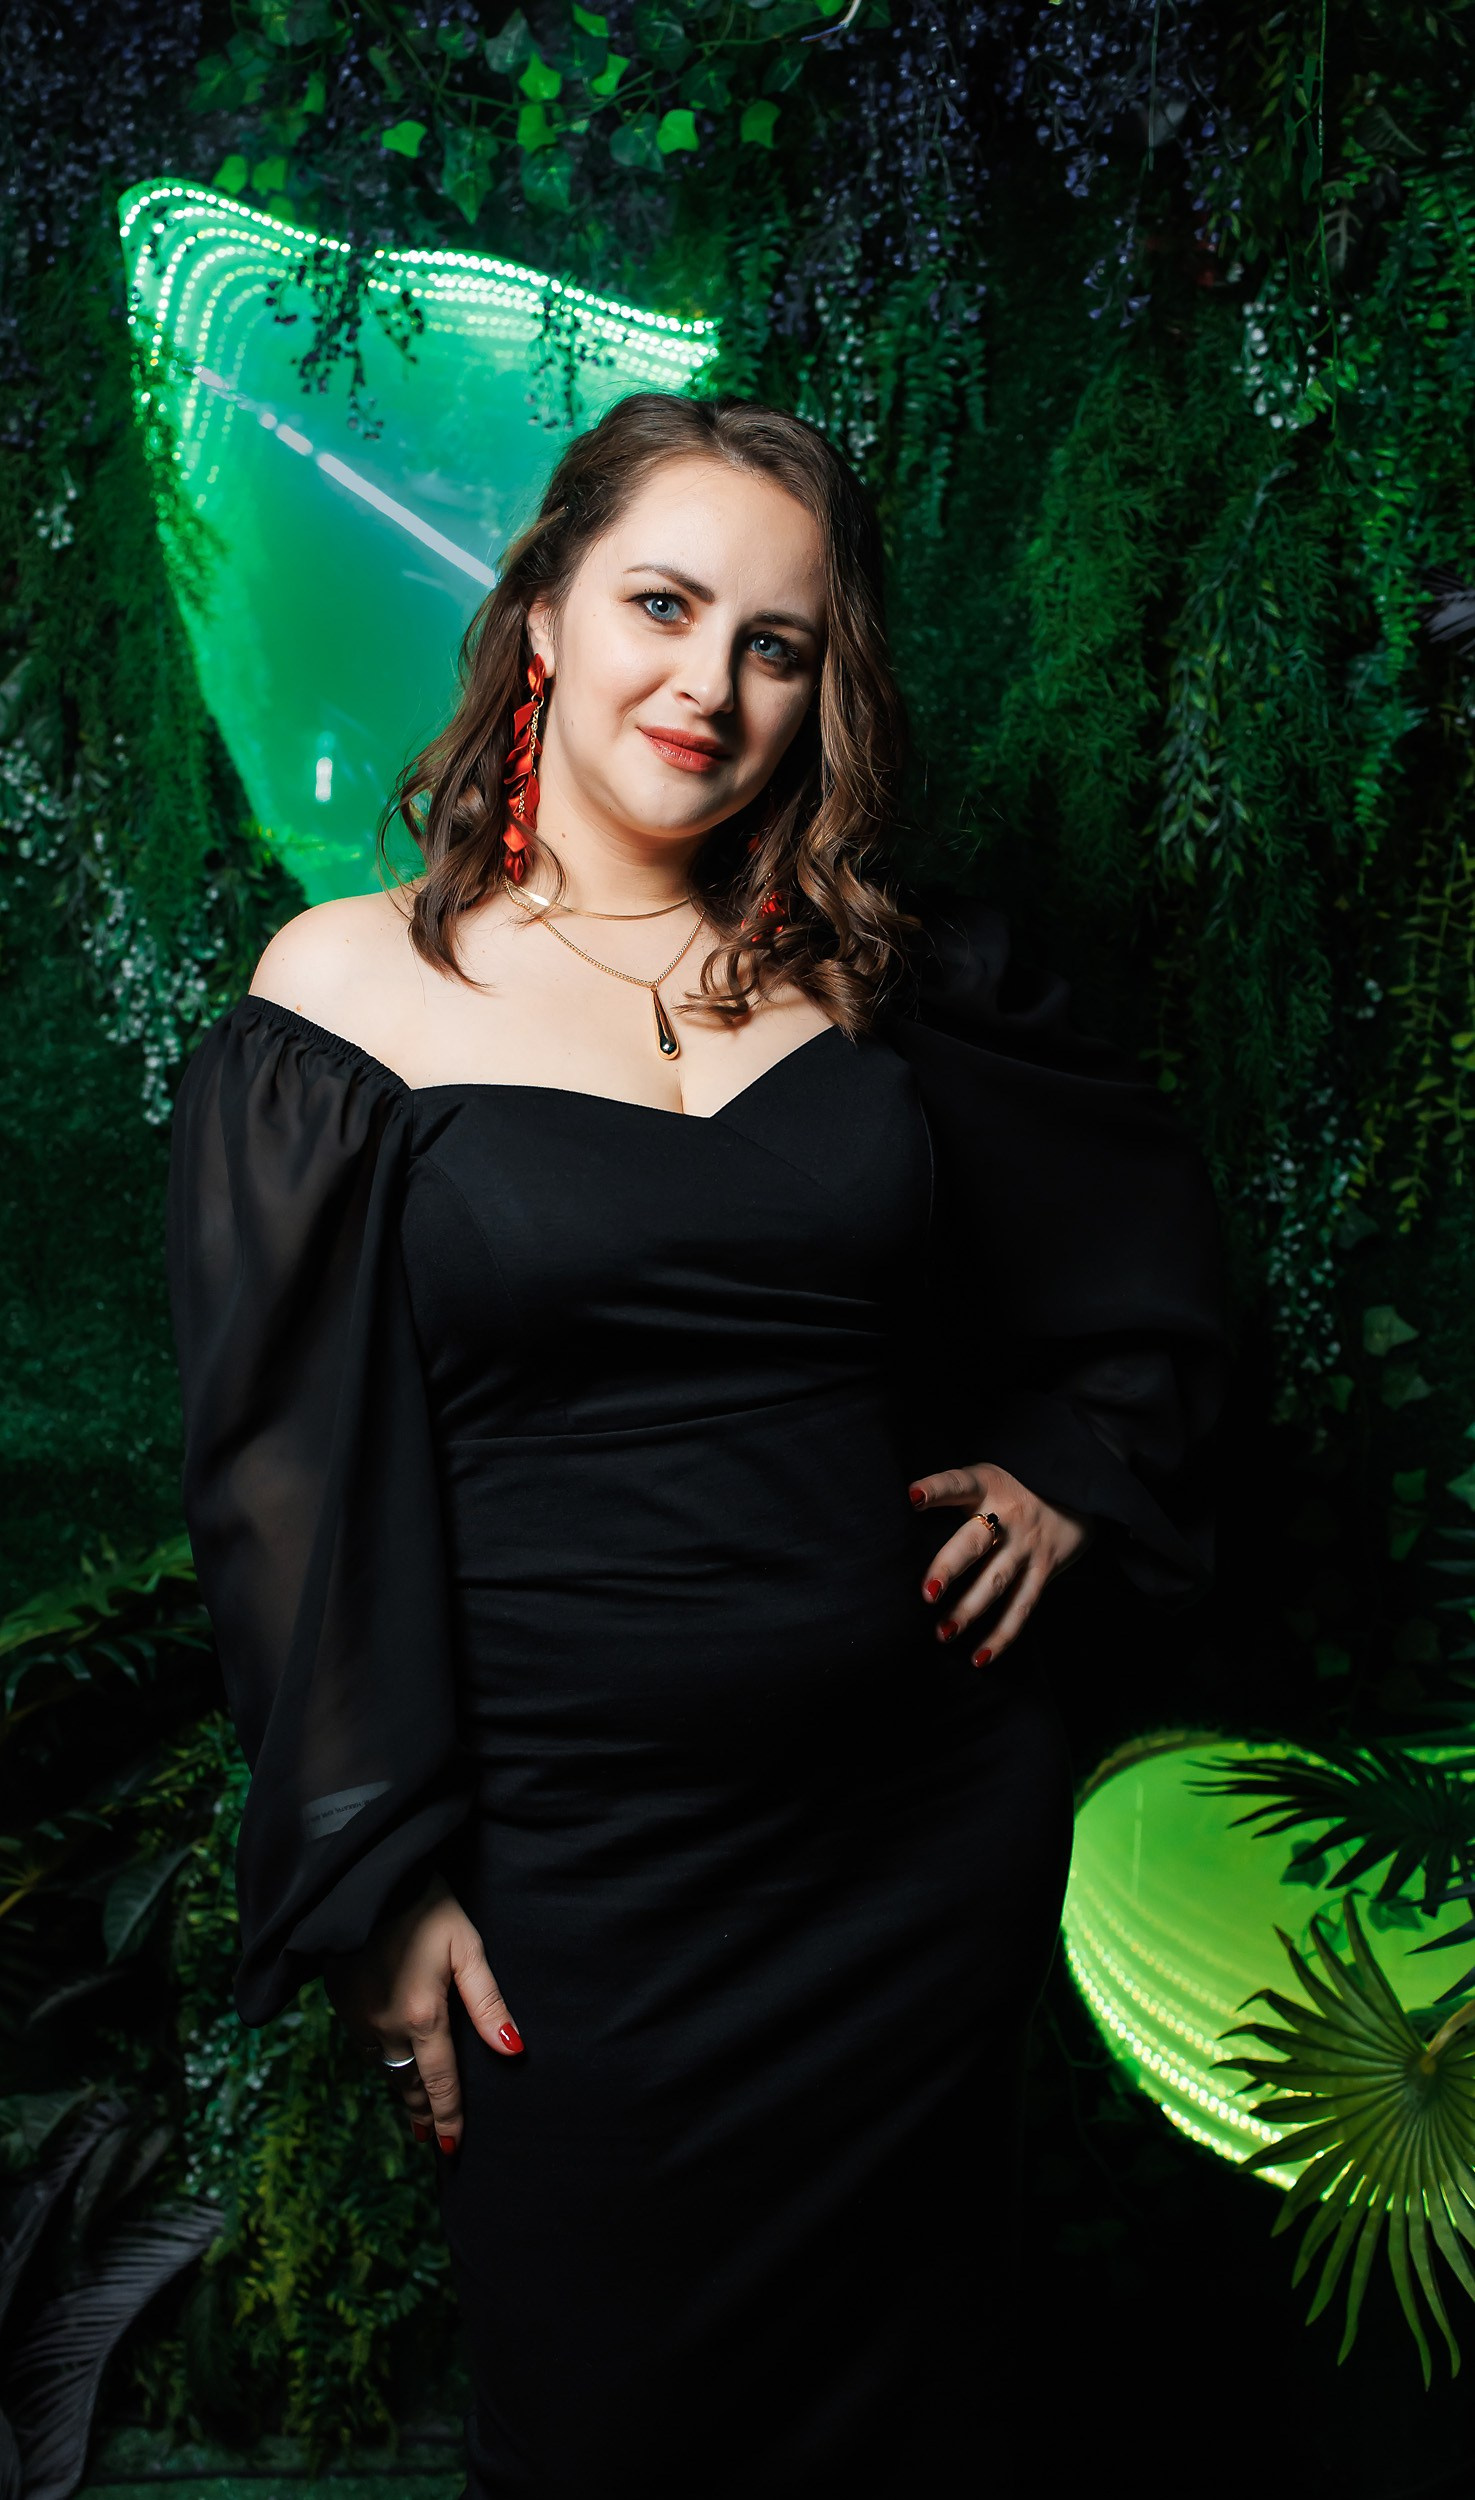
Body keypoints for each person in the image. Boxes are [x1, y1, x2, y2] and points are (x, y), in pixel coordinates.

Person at [165, 392, 1230, 2496]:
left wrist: (1069, 1467)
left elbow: (1145, 1261)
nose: (711, 684)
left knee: (925, 2437)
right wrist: (378, 1886)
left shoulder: (886, 985)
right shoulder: (344, 999)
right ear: (546, 610)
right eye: (664, 604)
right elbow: (278, 1489)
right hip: (580, 1893)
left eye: (777, 644)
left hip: (919, 1857)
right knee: (608, 2432)